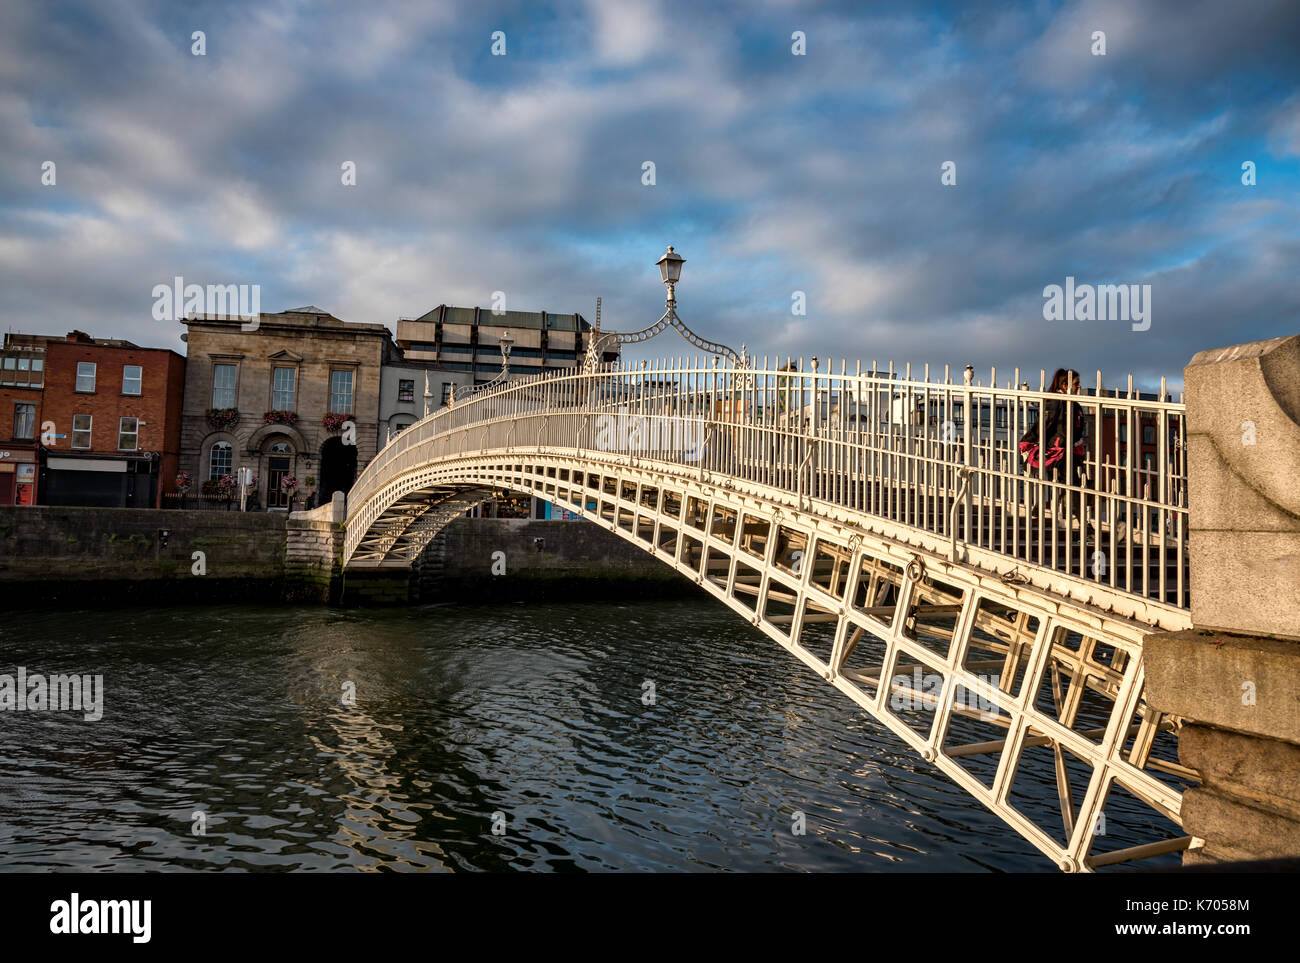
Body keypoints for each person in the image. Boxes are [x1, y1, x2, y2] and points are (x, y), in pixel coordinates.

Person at [1020, 368, 1091, 537]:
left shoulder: (1074, 404)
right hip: (1057, 451)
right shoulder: (1055, 401)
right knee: (1072, 486)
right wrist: (1028, 441)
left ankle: (1040, 509)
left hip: (1068, 452)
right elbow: (1042, 425)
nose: (1079, 387)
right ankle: (1086, 528)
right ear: (1065, 385)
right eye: (1076, 384)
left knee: (1069, 486)